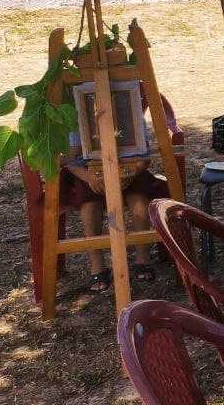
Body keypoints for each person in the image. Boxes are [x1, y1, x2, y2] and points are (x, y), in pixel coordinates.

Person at [61, 111, 169, 293]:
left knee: (139, 198)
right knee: (89, 204)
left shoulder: (129, 108)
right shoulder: (79, 112)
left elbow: (144, 156)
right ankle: (97, 264)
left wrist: (132, 173)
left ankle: (142, 257)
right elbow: (72, 161)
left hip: (128, 170)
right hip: (90, 175)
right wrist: (89, 177)